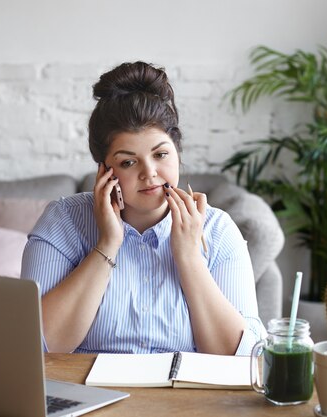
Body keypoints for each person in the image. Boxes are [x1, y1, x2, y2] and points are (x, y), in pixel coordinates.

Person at [21, 61, 264, 355]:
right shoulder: (63, 220)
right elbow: (39, 346)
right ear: (104, 171)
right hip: (91, 396)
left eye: (160, 154)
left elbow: (240, 359)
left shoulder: (218, 230)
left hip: (185, 398)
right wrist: (108, 244)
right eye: (128, 162)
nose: (149, 173)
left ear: (178, 152)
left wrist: (188, 257)